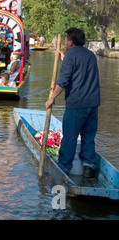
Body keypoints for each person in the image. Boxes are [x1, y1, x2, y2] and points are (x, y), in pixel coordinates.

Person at [45, 27, 100, 179]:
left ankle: (64, 167)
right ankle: (89, 166)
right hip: (92, 104)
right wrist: (64, 57)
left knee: (70, 136)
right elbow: (79, 69)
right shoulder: (91, 55)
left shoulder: (71, 56)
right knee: (88, 136)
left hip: (76, 104)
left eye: (66, 40)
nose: (65, 43)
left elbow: (63, 81)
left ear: (71, 42)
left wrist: (52, 98)